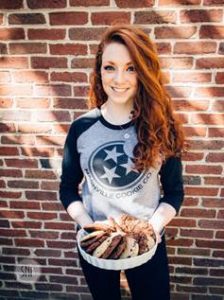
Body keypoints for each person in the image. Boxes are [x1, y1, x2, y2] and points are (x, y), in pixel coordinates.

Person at [59, 24, 185, 300]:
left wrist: (150, 229)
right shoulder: (81, 128)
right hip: (96, 243)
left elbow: (174, 192)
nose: (119, 78)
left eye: (131, 67)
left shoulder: (162, 127)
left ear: (144, 72)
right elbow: (67, 187)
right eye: (109, 67)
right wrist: (86, 224)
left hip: (148, 243)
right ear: (99, 71)